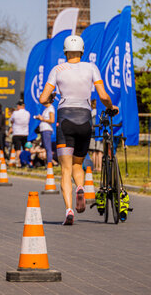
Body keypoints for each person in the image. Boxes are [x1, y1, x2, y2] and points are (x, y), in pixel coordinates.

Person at [39, 35, 118, 225]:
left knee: (65, 169)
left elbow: (43, 99)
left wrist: (52, 98)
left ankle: (69, 210)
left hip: (65, 119)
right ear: (82, 51)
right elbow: (103, 95)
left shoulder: (57, 70)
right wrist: (111, 106)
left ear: (65, 52)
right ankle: (80, 187)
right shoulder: (91, 68)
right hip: (84, 119)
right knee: (77, 164)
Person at [34, 101, 55, 166]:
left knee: (48, 148)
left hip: (47, 129)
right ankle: (48, 163)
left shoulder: (51, 108)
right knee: (45, 148)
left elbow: (52, 120)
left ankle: (49, 164)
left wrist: (42, 119)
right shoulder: (46, 109)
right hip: (43, 129)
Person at [10, 100, 30, 164]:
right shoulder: (27, 113)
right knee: (25, 148)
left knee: (18, 148)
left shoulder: (15, 113)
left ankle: (19, 162)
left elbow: (12, 121)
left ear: (19, 106)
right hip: (25, 132)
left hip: (17, 133)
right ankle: (26, 160)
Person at [88, 99, 103, 172]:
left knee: (94, 152)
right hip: (99, 134)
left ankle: (94, 167)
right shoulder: (99, 113)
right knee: (99, 152)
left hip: (92, 134)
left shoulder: (90, 113)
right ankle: (100, 167)